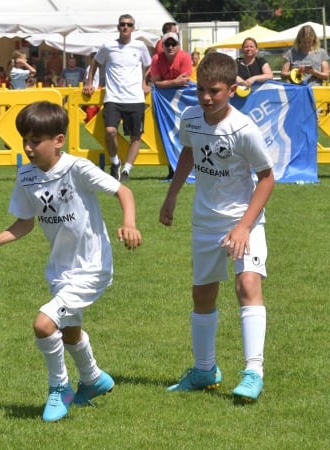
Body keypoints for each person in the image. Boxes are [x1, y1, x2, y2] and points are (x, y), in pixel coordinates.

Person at [0, 100, 141, 421]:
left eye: (35, 141)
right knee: (69, 332)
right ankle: (93, 379)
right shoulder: (26, 176)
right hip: (60, 269)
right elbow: (26, 222)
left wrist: (130, 223)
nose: (28, 147)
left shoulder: (77, 168)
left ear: (58, 140)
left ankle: (60, 387)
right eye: (25, 140)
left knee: (44, 324)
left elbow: (124, 192)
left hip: (92, 267)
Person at [159, 52, 274, 403]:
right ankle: (205, 370)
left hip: (244, 222)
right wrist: (171, 196)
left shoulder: (243, 128)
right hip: (205, 221)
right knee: (203, 295)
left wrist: (243, 226)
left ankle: (254, 371)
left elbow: (267, 178)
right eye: (201, 90)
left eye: (215, 91)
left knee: (247, 284)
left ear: (233, 89)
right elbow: (189, 153)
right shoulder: (191, 117)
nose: (207, 97)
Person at [83, 14, 151, 182]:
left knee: (136, 137)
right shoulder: (108, 46)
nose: (125, 27)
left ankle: (127, 169)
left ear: (133, 28)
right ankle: (115, 162)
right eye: (122, 24)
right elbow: (95, 63)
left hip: (135, 98)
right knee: (110, 130)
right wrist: (89, 82)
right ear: (118, 27)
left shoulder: (140, 46)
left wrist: (145, 82)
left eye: (129, 25)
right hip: (113, 97)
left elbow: (149, 65)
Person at [150, 32, 193, 181]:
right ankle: (172, 167)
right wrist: (174, 82)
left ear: (178, 45)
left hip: (183, 100)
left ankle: (187, 168)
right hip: (164, 102)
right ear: (162, 46)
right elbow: (156, 83)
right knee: (167, 134)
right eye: (167, 44)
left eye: (173, 44)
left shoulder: (185, 57)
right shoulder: (156, 58)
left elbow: (185, 81)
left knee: (185, 133)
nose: (170, 47)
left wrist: (166, 84)